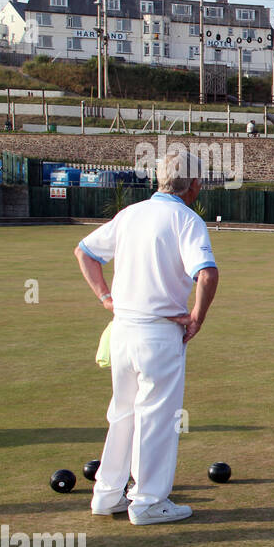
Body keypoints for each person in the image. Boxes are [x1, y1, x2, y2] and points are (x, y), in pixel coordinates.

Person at [73, 153, 219, 525]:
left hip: (122, 331)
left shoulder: (130, 213)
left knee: (122, 412)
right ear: (194, 186)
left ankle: (107, 496)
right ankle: (148, 502)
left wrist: (107, 299)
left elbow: (85, 252)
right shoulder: (187, 219)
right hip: (159, 332)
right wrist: (198, 319)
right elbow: (206, 274)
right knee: (156, 416)